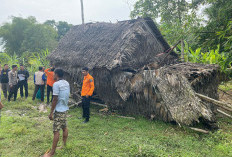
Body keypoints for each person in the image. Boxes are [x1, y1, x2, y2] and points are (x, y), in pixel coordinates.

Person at [43, 69, 70, 157]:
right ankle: (64, 145)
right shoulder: (66, 83)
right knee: (64, 127)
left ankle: (51, 153)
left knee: (56, 131)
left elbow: (55, 99)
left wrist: (51, 112)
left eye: (54, 74)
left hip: (58, 110)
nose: (53, 75)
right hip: (65, 108)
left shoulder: (56, 84)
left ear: (56, 74)